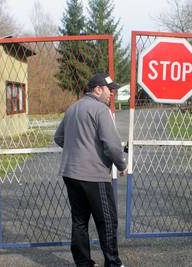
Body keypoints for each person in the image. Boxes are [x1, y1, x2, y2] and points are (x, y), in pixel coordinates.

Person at [54, 73, 127, 267]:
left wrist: (78, 151)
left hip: (70, 173)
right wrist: (122, 164)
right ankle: (113, 263)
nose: (112, 94)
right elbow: (111, 145)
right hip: (94, 176)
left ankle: (83, 263)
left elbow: (58, 138)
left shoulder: (72, 109)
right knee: (107, 221)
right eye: (109, 90)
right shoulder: (100, 110)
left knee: (79, 221)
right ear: (97, 89)